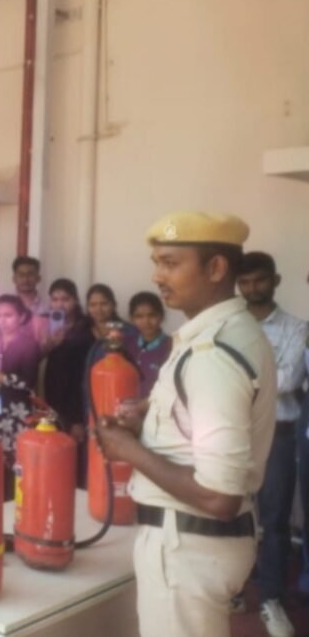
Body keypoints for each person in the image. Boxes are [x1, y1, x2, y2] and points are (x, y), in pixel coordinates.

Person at [94, 211, 276, 637]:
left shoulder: (214, 353)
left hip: (187, 548)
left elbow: (219, 496)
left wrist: (127, 450)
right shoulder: (227, 332)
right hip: (196, 544)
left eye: (171, 263)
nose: (157, 276)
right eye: (157, 263)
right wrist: (148, 419)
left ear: (216, 268)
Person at [235, 252, 307, 636]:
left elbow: (289, 379)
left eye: (260, 280)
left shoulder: (297, 328)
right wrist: (261, 378)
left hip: (279, 433)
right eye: (245, 282)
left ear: (275, 281)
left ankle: (270, 599)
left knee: (275, 521)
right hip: (236, 431)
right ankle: (233, 588)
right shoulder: (231, 326)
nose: (253, 288)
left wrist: (239, 380)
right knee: (232, 512)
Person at [0, 294, 42, 498]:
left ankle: (16, 503)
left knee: (17, 463)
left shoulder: (29, 345)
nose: (3, 320)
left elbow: (28, 382)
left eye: (9, 315)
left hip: (17, 414)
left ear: (21, 317)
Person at [42, 279, 94, 444]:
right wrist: (49, 344)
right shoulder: (43, 323)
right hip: (49, 398)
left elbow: (81, 375)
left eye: (65, 299)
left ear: (75, 300)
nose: (59, 304)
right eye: (55, 299)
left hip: (75, 402)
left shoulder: (86, 328)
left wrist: (77, 419)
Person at [124, 292, 172, 399]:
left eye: (152, 315)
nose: (146, 322)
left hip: (156, 407)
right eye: (139, 316)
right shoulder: (125, 344)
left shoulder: (172, 346)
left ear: (161, 316)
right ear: (132, 319)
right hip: (126, 405)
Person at [11, 256, 49, 344]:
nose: (25, 279)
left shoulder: (48, 306)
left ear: (38, 278)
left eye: (30, 274)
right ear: (14, 279)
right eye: (21, 275)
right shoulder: (3, 306)